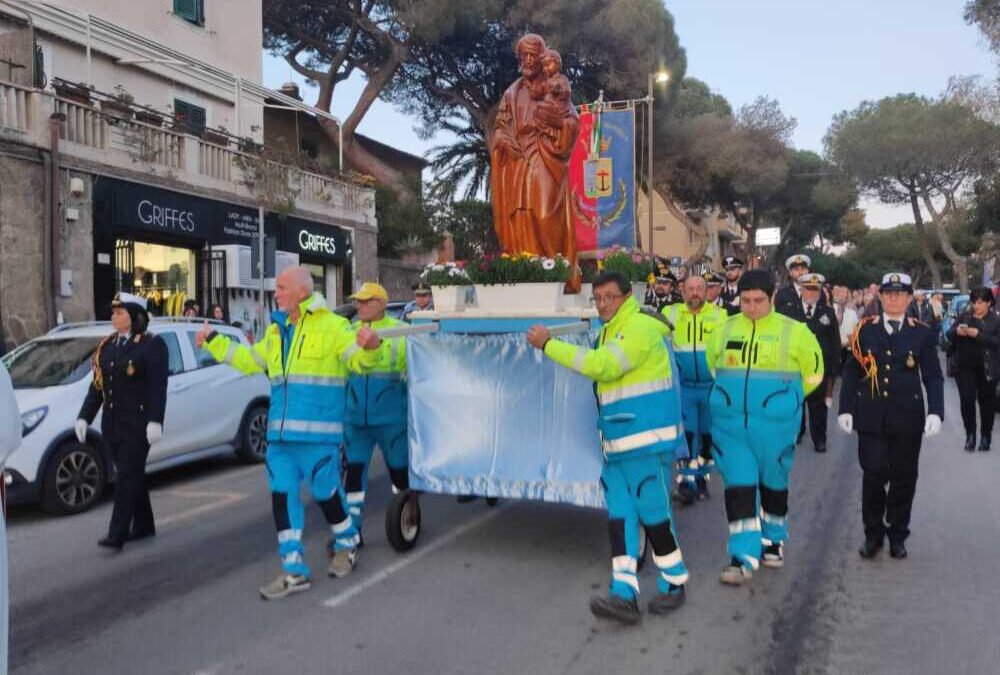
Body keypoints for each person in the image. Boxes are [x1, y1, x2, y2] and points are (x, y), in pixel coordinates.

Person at [197, 266, 380, 600]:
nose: (276, 293)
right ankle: (294, 569)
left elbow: (357, 360)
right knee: (282, 499)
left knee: (327, 496)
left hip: (318, 437)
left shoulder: (334, 327)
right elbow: (249, 360)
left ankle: (347, 543)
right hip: (280, 440)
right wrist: (214, 342)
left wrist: (370, 348)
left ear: (301, 292)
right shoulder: (276, 331)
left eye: (281, 287)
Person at [527, 271, 689, 625]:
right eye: (597, 298)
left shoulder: (639, 328)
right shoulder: (613, 327)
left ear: (627, 296)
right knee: (620, 518)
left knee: (655, 515)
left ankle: (674, 583)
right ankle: (624, 594)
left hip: (646, 441)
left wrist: (548, 345)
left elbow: (605, 367)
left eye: (609, 297)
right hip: (618, 443)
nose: (602, 304)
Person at [705, 269, 824, 585]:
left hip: (776, 428)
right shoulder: (724, 329)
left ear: (772, 297)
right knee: (739, 485)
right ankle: (741, 556)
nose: (752, 307)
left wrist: (787, 400)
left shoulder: (796, 332)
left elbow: (814, 374)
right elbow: (713, 366)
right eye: (745, 301)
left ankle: (773, 538)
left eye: (759, 300)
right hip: (731, 427)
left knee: (774, 484)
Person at [838, 273, 944, 560]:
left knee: (903, 477)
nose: (894, 298)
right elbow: (852, 370)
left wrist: (936, 411)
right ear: (880, 297)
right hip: (871, 415)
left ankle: (898, 533)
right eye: (888, 294)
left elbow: (933, 376)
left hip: (907, 417)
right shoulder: (864, 329)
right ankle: (873, 534)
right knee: (873, 475)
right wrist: (845, 407)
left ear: (910, 298)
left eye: (900, 294)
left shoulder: (921, 332)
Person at [76, 293, 168, 550]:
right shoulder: (107, 346)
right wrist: (84, 416)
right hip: (112, 424)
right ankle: (144, 525)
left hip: (138, 425)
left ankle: (117, 534)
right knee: (133, 474)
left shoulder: (152, 345)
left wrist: (155, 421)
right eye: (113, 312)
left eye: (120, 312)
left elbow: (157, 388)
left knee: (126, 476)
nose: (113, 317)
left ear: (135, 316)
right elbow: (98, 387)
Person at [342, 283, 413, 542]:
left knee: (399, 470)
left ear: (381, 303)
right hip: (354, 419)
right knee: (353, 475)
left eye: (365, 301)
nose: (358, 305)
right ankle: (352, 531)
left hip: (392, 418)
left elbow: (417, 367)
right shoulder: (348, 331)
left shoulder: (403, 331)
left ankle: (407, 518)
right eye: (357, 301)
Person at [662, 275, 726, 504]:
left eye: (700, 288)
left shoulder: (721, 316)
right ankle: (686, 482)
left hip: (712, 387)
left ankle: (702, 479)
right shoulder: (670, 314)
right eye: (690, 289)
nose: (695, 293)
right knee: (687, 436)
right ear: (682, 291)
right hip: (685, 388)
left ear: (707, 291)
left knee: (708, 437)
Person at [947, 287, 1000, 451]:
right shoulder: (964, 316)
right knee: (967, 401)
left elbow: (996, 342)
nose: (976, 306)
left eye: (980, 302)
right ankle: (970, 435)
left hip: (988, 367)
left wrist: (977, 334)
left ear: (989, 303)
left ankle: (985, 436)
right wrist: (957, 331)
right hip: (964, 367)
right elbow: (949, 334)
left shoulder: (996, 320)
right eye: (973, 302)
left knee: (987, 404)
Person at [795, 274, 840, 453]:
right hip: (796, 367)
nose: (812, 293)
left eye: (816, 290)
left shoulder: (827, 313)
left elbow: (835, 342)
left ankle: (819, 439)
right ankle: (796, 433)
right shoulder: (791, 310)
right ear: (802, 290)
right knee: (795, 403)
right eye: (809, 289)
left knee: (818, 407)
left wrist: (833, 370)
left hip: (818, 368)